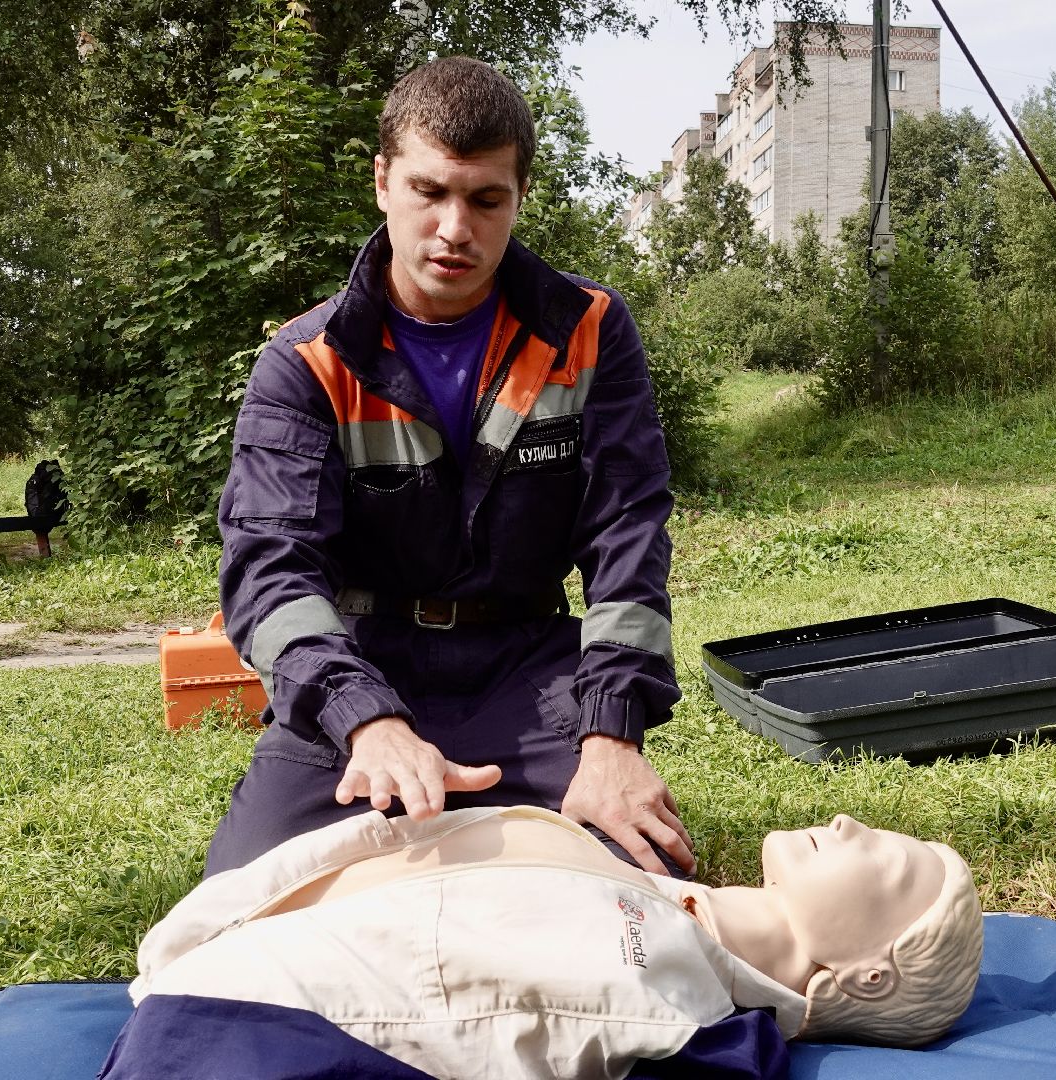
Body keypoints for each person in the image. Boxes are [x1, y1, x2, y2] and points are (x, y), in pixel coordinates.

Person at [207, 56, 689, 880]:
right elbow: (271, 571)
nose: (455, 228)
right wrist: (367, 723)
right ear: (383, 181)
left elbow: (626, 534)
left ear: (519, 197)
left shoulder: (590, 329)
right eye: (430, 192)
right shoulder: (305, 360)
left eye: (485, 198)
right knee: (244, 907)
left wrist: (610, 735)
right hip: (361, 667)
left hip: (532, 669)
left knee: (642, 890)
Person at [100, 808, 984, 1079]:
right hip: (211, 953)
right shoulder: (656, 895)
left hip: (238, 1032)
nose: (849, 818)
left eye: (895, 864)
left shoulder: (701, 1025)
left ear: (866, 977)